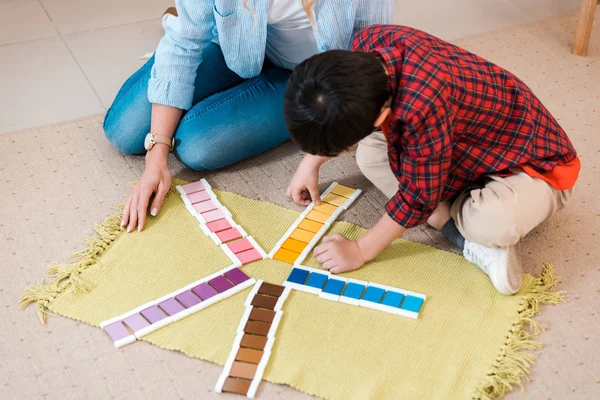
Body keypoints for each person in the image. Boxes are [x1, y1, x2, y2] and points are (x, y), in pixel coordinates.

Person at [283, 25, 580, 295]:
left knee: (491, 225)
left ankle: (468, 236)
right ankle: (461, 230)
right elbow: (338, 104)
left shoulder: (422, 106)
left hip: (532, 164)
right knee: (370, 155)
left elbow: (416, 198)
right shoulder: (366, 47)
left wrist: (361, 249)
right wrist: (309, 163)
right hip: (455, 143)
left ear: (381, 116)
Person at [105, 1, 394, 233]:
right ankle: (184, 17)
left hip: (305, 77)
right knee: (124, 131)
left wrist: (317, 148)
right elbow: (182, 47)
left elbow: (367, 61)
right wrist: (156, 155)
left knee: (197, 147)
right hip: (232, 47)